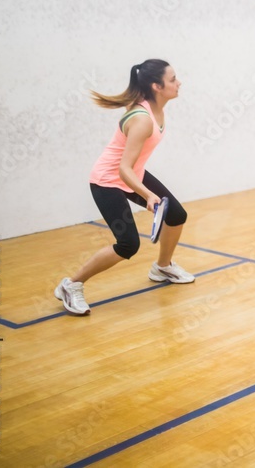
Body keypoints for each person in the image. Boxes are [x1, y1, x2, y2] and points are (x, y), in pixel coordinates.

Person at [55, 59, 195, 316]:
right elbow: (123, 169)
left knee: (176, 215)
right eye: (173, 79)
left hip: (131, 173)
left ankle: (162, 266)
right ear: (157, 86)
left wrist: (146, 192)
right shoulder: (142, 119)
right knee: (128, 244)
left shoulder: (152, 108)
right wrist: (148, 195)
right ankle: (70, 285)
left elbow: (131, 168)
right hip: (107, 181)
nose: (179, 82)